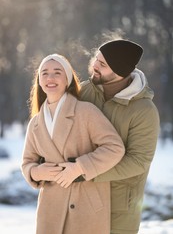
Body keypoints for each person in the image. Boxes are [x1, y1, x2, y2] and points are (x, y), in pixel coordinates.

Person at [21, 53, 125, 234]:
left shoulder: (86, 112)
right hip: (50, 210)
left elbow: (115, 148)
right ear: (39, 80)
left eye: (57, 72)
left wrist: (79, 167)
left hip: (87, 206)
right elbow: (27, 163)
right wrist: (36, 172)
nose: (50, 78)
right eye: (44, 73)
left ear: (67, 79)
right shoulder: (35, 123)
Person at [80, 38, 160, 234]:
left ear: (121, 72)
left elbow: (139, 160)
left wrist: (86, 172)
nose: (94, 66)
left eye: (103, 64)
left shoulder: (144, 111)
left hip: (120, 206)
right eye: (96, 59)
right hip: (80, 197)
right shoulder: (83, 91)